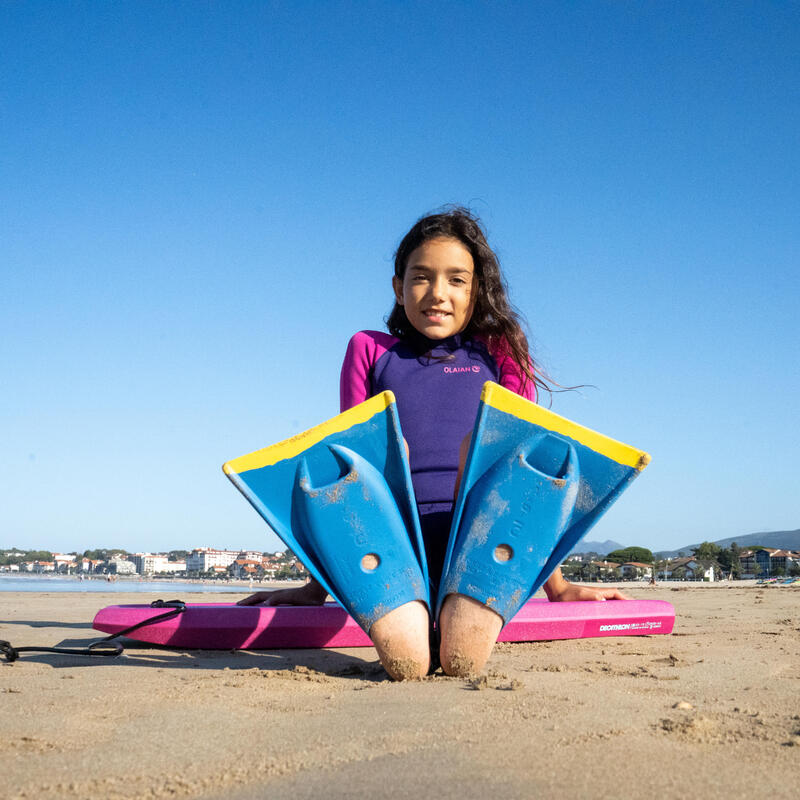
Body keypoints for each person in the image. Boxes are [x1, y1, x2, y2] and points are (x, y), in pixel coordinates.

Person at [239, 207, 627, 679]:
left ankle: (460, 610)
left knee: (501, 455)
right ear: (398, 286)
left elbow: (527, 474)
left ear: (476, 289)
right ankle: (414, 620)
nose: (437, 294)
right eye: (421, 277)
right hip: (394, 543)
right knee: (376, 459)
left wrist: (557, 586)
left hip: (482, 539)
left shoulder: (500, 347)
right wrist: (313, 588)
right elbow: (347, 470)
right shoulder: (370, 349)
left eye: (457, 280)